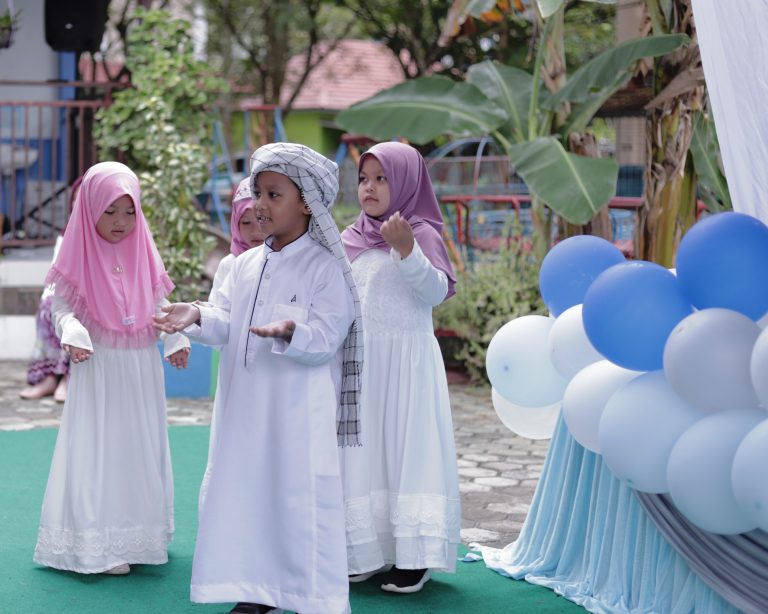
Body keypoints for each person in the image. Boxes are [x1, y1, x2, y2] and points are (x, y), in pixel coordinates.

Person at [153, 142, 363, 614]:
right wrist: (195, 315)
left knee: (294, 501)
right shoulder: (243, 266)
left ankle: (309, 596)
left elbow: (329, 337)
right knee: (249, 496)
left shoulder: (327, 269)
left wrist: (293, 332)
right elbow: (224, 320)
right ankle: (256, 589)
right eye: (257, 194)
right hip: (245, 409)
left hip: (295, 415)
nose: (260, 206)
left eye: (274, 195)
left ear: (306, 201)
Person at [33, 162, 191, 575]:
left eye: (129, 211)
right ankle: (96, 543)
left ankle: (137, 536)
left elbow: (159, 309)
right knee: (99, 449)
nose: (121, 223)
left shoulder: (143, 252)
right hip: (99, 366)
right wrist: (72, 330)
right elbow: (62, 308)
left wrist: (175, 335)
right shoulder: (77, 254)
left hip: (140, 369)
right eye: (109, 211)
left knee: (137, 448)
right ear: (88, 210)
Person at [340, 141, 461, 593]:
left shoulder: (421, 231)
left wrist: (407, 250)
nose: (369, 188)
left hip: (407, 367)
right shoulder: (352, 237)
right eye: (363, 179)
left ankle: (415, 557)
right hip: (363, 365)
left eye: (381, 178)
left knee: (409, 452)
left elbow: (434, 294)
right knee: (364, 454)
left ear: (407, 182)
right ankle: (368, 550)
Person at [18, 176, 83, 402]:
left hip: (89, 297)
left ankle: (68, 378)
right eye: (75, 197)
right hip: (64, 293)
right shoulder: (65, 234)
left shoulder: (101, 236)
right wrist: (51, 297)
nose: (78, 202)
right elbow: (56, 273)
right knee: (48, 309)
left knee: (75, 317)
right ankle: (49, 378)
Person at [208, 177, 267, 302]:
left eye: (261, 220)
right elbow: (216, 308)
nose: (256, 230)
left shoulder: (284, 261)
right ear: (235, 224)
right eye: (246, 222)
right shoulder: (228, 264)